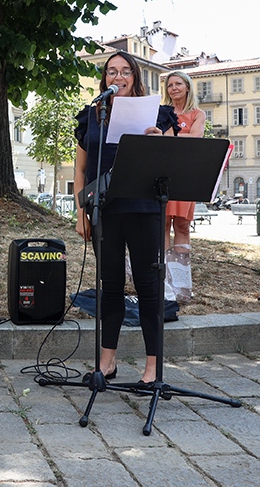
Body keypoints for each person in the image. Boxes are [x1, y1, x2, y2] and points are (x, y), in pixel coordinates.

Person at [73, 51, 179, 385]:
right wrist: (81, 212)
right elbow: (80, 169)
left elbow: (173, 163)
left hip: (144, 208)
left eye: (125, 71)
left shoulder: (158, 114)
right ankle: (107, 362)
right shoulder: (92, 115)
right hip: (104, 209)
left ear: (135, 77)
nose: (117, 77)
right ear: (104, 78)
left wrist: (160, 142)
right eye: (111, 71)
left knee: (148, 286)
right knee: (110, 286)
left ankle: (152, 367)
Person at [161, 70, 205, 253]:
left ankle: (180, 267)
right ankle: (163, 267)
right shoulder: (162, 113)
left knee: (182, 225)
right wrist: (183, 136)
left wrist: (170, 137)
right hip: (163, 171)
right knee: (162, 224)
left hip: (186, 173)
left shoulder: (198, 114)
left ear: (187, 87)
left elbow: (195, 138)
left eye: (178, 84)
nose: (174, 88)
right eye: (170, 85)